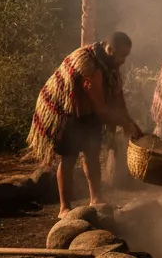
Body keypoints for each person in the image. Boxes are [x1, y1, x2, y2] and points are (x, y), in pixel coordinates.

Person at [27, 31, 142, 216]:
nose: (124, 61)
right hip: (66, 112)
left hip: (89, 113)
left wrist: (131, 123)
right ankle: (64, 208)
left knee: (92, 154)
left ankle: (96, 198)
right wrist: (124, 123)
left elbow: (118, 98)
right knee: (69, 159)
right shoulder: (89, 65)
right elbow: (101, 108)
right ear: (110, 49)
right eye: (123, 56)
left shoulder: (109, 63)